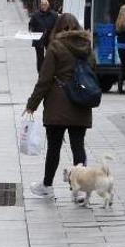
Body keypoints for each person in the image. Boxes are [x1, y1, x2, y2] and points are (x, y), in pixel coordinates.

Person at [24, 13, 92, 198]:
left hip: (57, 104)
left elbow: (44, 79)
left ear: (58, 28)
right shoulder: (86, 46)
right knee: (78, 146)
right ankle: (79, 189)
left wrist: (32, 104)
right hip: (80, 102)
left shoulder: (55, 46)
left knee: (54, 147)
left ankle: (47, 186)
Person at [29, 0, 58, 73]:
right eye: (42, 4)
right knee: (40, 57)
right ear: (40, 5)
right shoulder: (35, 15)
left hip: (50, 38)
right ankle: (40, 72)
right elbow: (31, 24)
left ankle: (49, 71)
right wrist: (32, 31)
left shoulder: (54, 15)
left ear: (48, 5)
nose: (44, 6)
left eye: (45, 4)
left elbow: (57, 26)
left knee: (50, 56)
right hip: (39, 39)